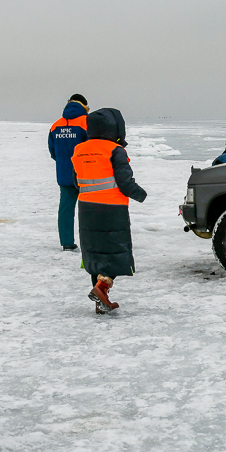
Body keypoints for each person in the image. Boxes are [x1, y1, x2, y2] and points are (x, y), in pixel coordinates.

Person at [70, 108, 147, 313]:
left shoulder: (79, 150)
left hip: (86, 208)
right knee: (114, 254)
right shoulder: (115, 150)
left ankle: (100, 301)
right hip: (112, 209)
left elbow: (75, 181)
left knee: (95, 254)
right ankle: (102, 288)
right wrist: (141, 194)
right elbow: (125, 183)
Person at [48, 94, 89, 250]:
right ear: (84, 106)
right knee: (91, 209)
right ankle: (92, 241)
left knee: (65, 208)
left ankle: (66, 242)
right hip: (86, 173)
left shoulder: (55, 125)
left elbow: (53, 152)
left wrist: (64, 162)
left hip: (64, 173)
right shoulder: (87, 123)